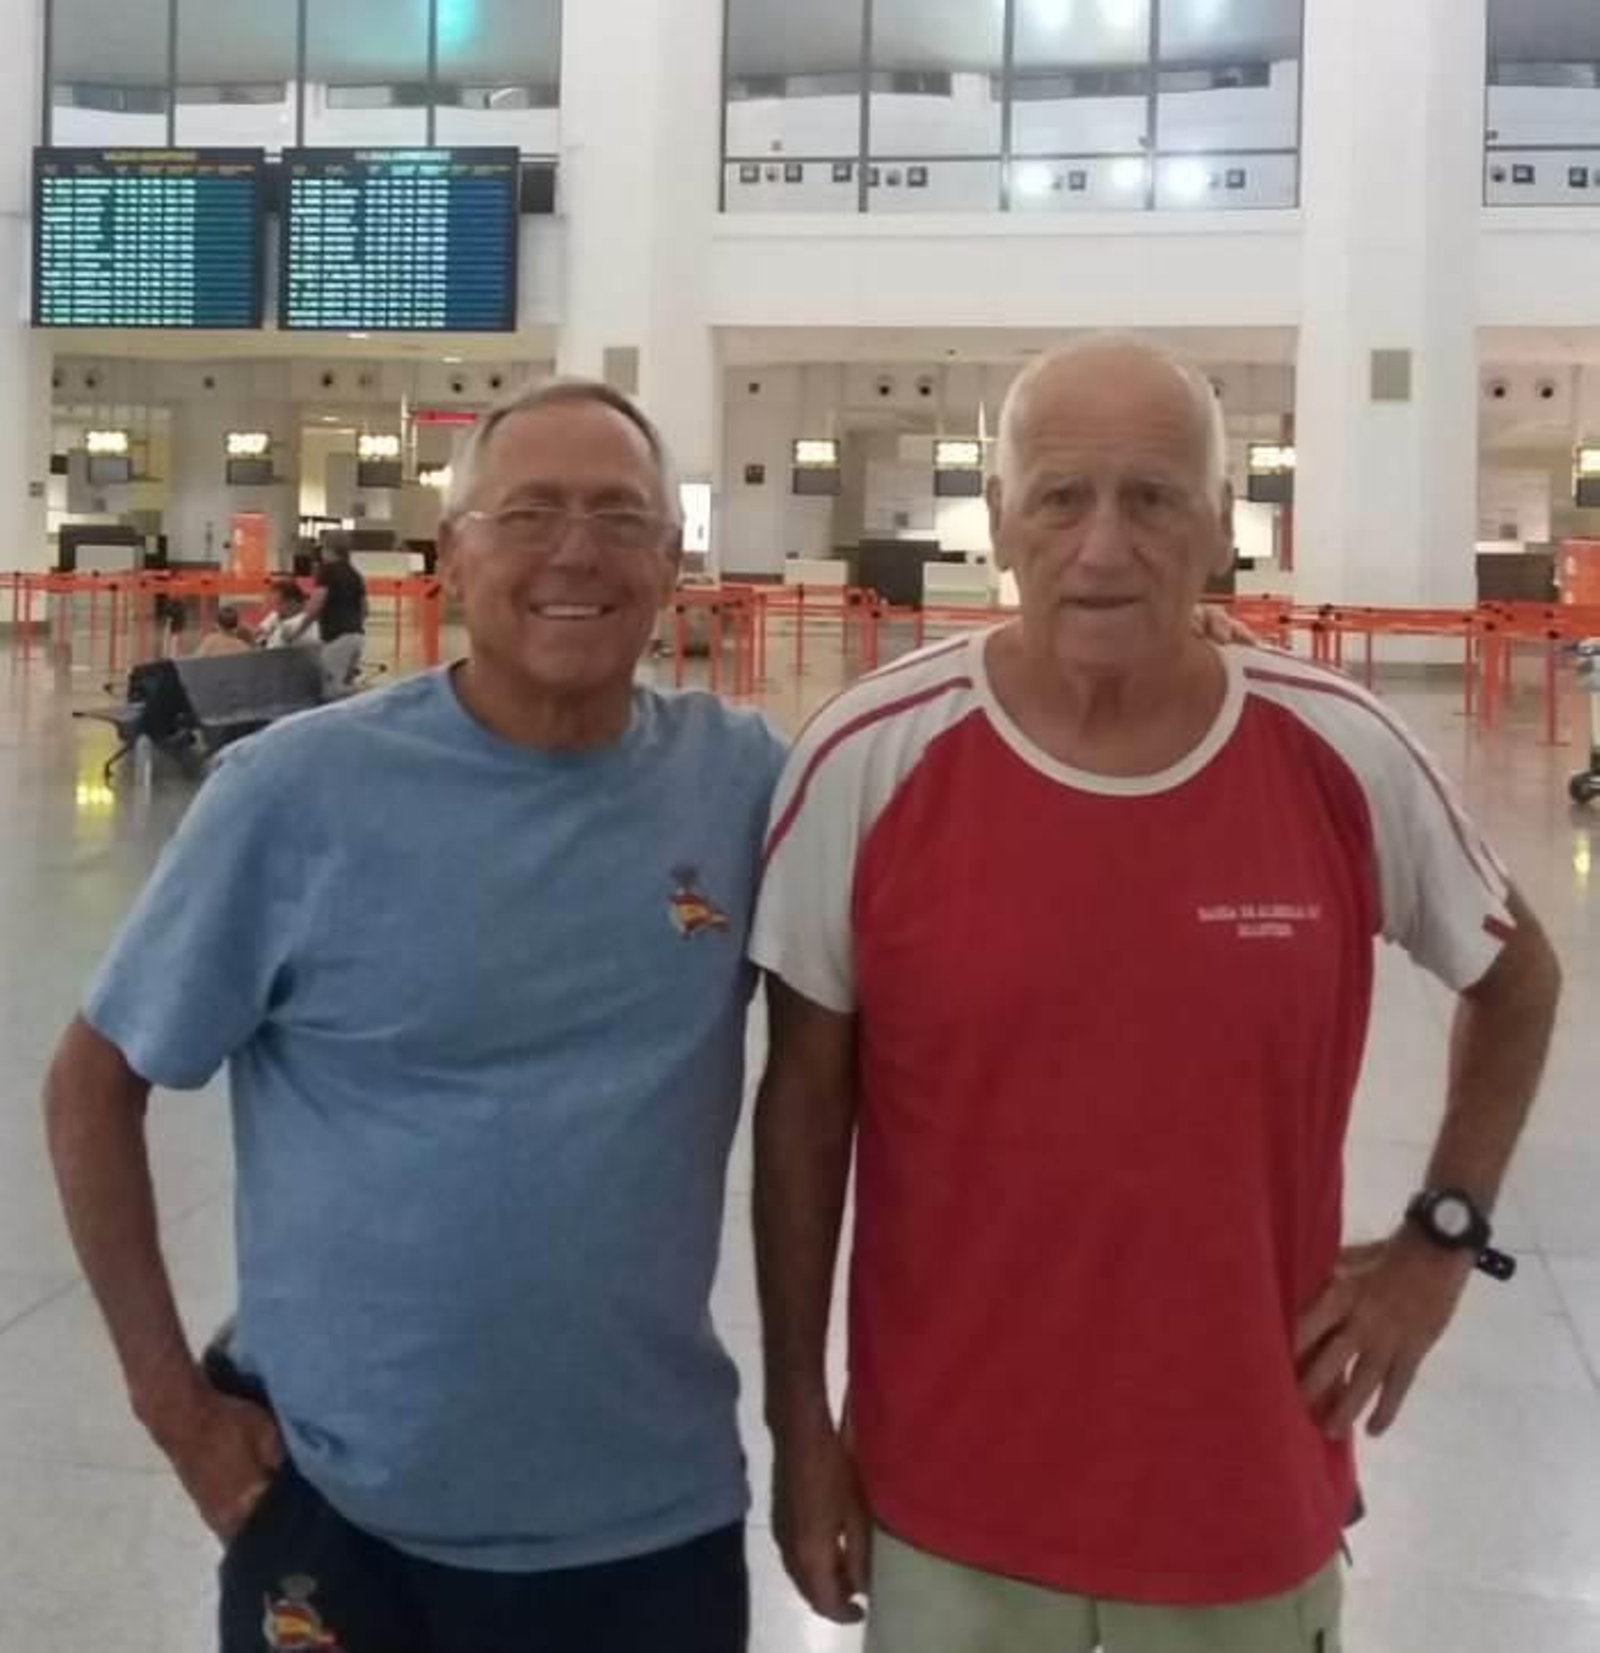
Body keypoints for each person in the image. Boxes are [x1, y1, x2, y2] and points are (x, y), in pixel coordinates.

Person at [749, 336, 1563, 1653]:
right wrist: (802, 1425)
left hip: (1243, 1499)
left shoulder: (1337, 749)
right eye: (1063, 497)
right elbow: (802, 1117)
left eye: (1154, 498)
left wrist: (1441, 1240)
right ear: (1003, 522)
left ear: (1220, 526)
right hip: (952, 1502)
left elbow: (1518, 975)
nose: (1106, 547)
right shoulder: (868, 760)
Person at [42, 380, 786, 1653]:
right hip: (342, 1519)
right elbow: (92, 1082)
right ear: (454, 554)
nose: (575, 552)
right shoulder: (297, 794)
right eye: (529, 513)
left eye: (620, 517)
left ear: (670, 558)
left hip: (649, 1522)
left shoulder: (745, 782)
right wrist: (176, 1410)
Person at [304, 543, 368, 692]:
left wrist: (297, 630)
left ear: (330, 550)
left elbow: (315, 606)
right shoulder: (355, 574)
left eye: (323, 550)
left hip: (337, 638)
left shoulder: (327, 570)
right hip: (357, 637)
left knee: (330, 692)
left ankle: (367, 695)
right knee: (346, 684)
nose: (321, 554)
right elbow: (365, 610)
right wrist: (353, 626)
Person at [255, 579, 316, 650]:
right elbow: (259, 633)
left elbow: (275, 648)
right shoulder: (278, 614)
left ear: (292, 602)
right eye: (273, 604)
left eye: (278, 604)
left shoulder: (301, 622)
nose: (275, 609)